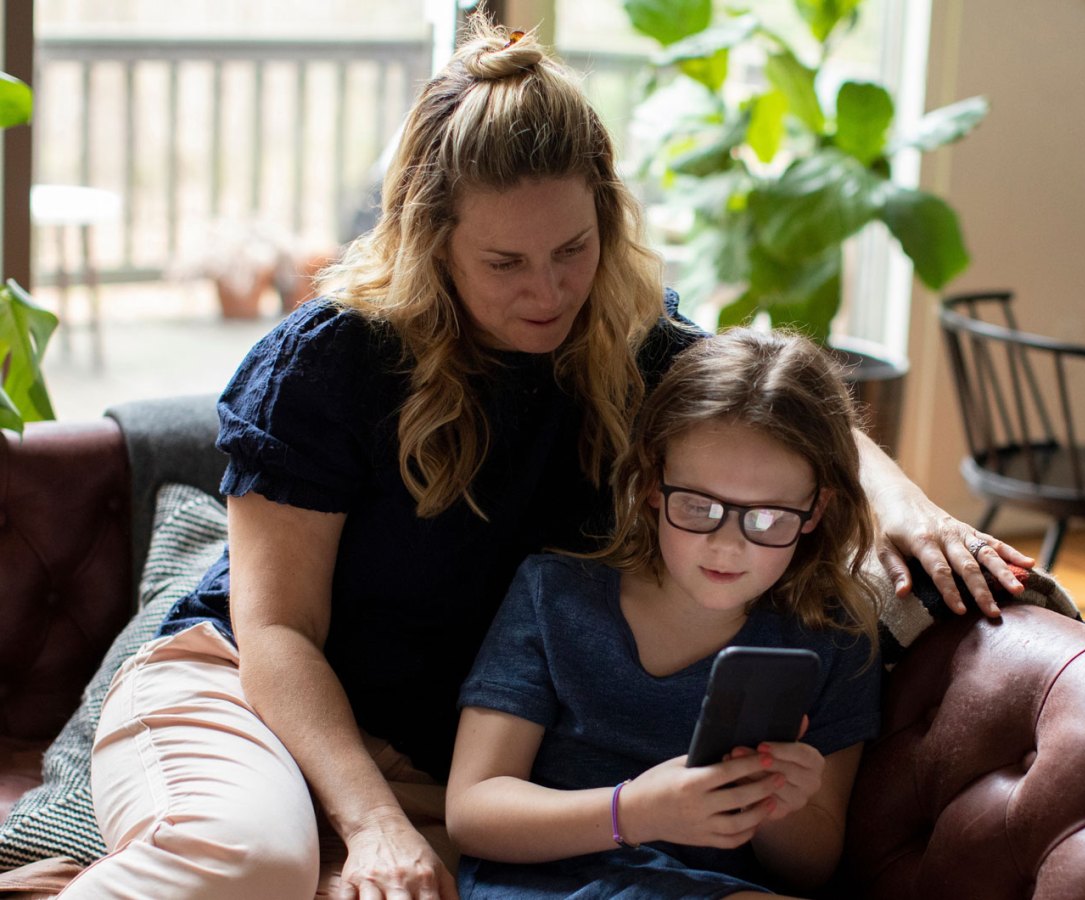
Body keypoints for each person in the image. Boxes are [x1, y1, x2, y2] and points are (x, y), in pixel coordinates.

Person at [59, 16, 1031, 900]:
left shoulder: (627, 339)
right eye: (505, 264)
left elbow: (771, 404)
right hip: (246, 694)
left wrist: (909, 506)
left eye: (572, 249)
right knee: (252, 865)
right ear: (429, 240)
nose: (550, 290)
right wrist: (375, 826)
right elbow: (275, 635)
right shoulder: (333, 360)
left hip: (428, 760)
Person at [445, 328, 882, 899]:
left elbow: (811, 870)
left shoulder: (836, 638)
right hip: (549, 878)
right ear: (651, 483)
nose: (727, 546)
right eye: (699, 507)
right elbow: (473, 812)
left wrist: (776, 803)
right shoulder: (554, 596)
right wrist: (637, 813)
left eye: (768, 517)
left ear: (816, 509)